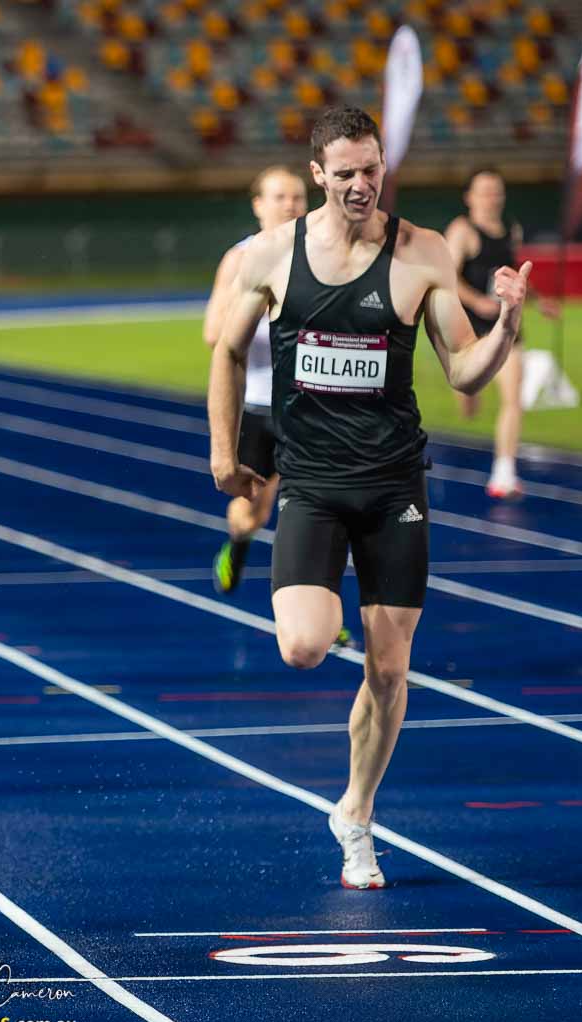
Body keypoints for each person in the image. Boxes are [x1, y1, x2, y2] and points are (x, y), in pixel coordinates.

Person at [207, 105, 531, 890]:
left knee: (390, 670)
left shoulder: (421, 252)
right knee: (304, 645)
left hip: (394, 488)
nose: (361, 183)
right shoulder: (272, 255)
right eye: (345, 171)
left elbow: (460, 369)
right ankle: (328, 619)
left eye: (372, 168)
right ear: (319, 174)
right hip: (313, 485)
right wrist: (222, 455)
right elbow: (225, 350)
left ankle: (356, 814)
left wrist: (508, 328)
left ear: (385, 166)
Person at [206, 166, 307, 596]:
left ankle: (316, 608)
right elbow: (214, 334)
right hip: (259, 406)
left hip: (309, 406)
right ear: (258, 205)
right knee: (254, 514)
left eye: (298, 198)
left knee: (313, 512)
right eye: (280, 197)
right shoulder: (240, 259)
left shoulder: (321, 256)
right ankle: (238, 544)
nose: (290, 206)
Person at [445, 169, 560, 499]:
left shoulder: (512, 229)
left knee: (513, 396)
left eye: (496, 191)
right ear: (469, 197)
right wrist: (477, 302)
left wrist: (539, 302)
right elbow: (448, 278)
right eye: (484, 191)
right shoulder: (462, 231)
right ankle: (467, 393)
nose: (491, 197)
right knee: (469, 401)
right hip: (468, 328)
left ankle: (504, 471)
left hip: (506, 325)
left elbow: (514, 274)